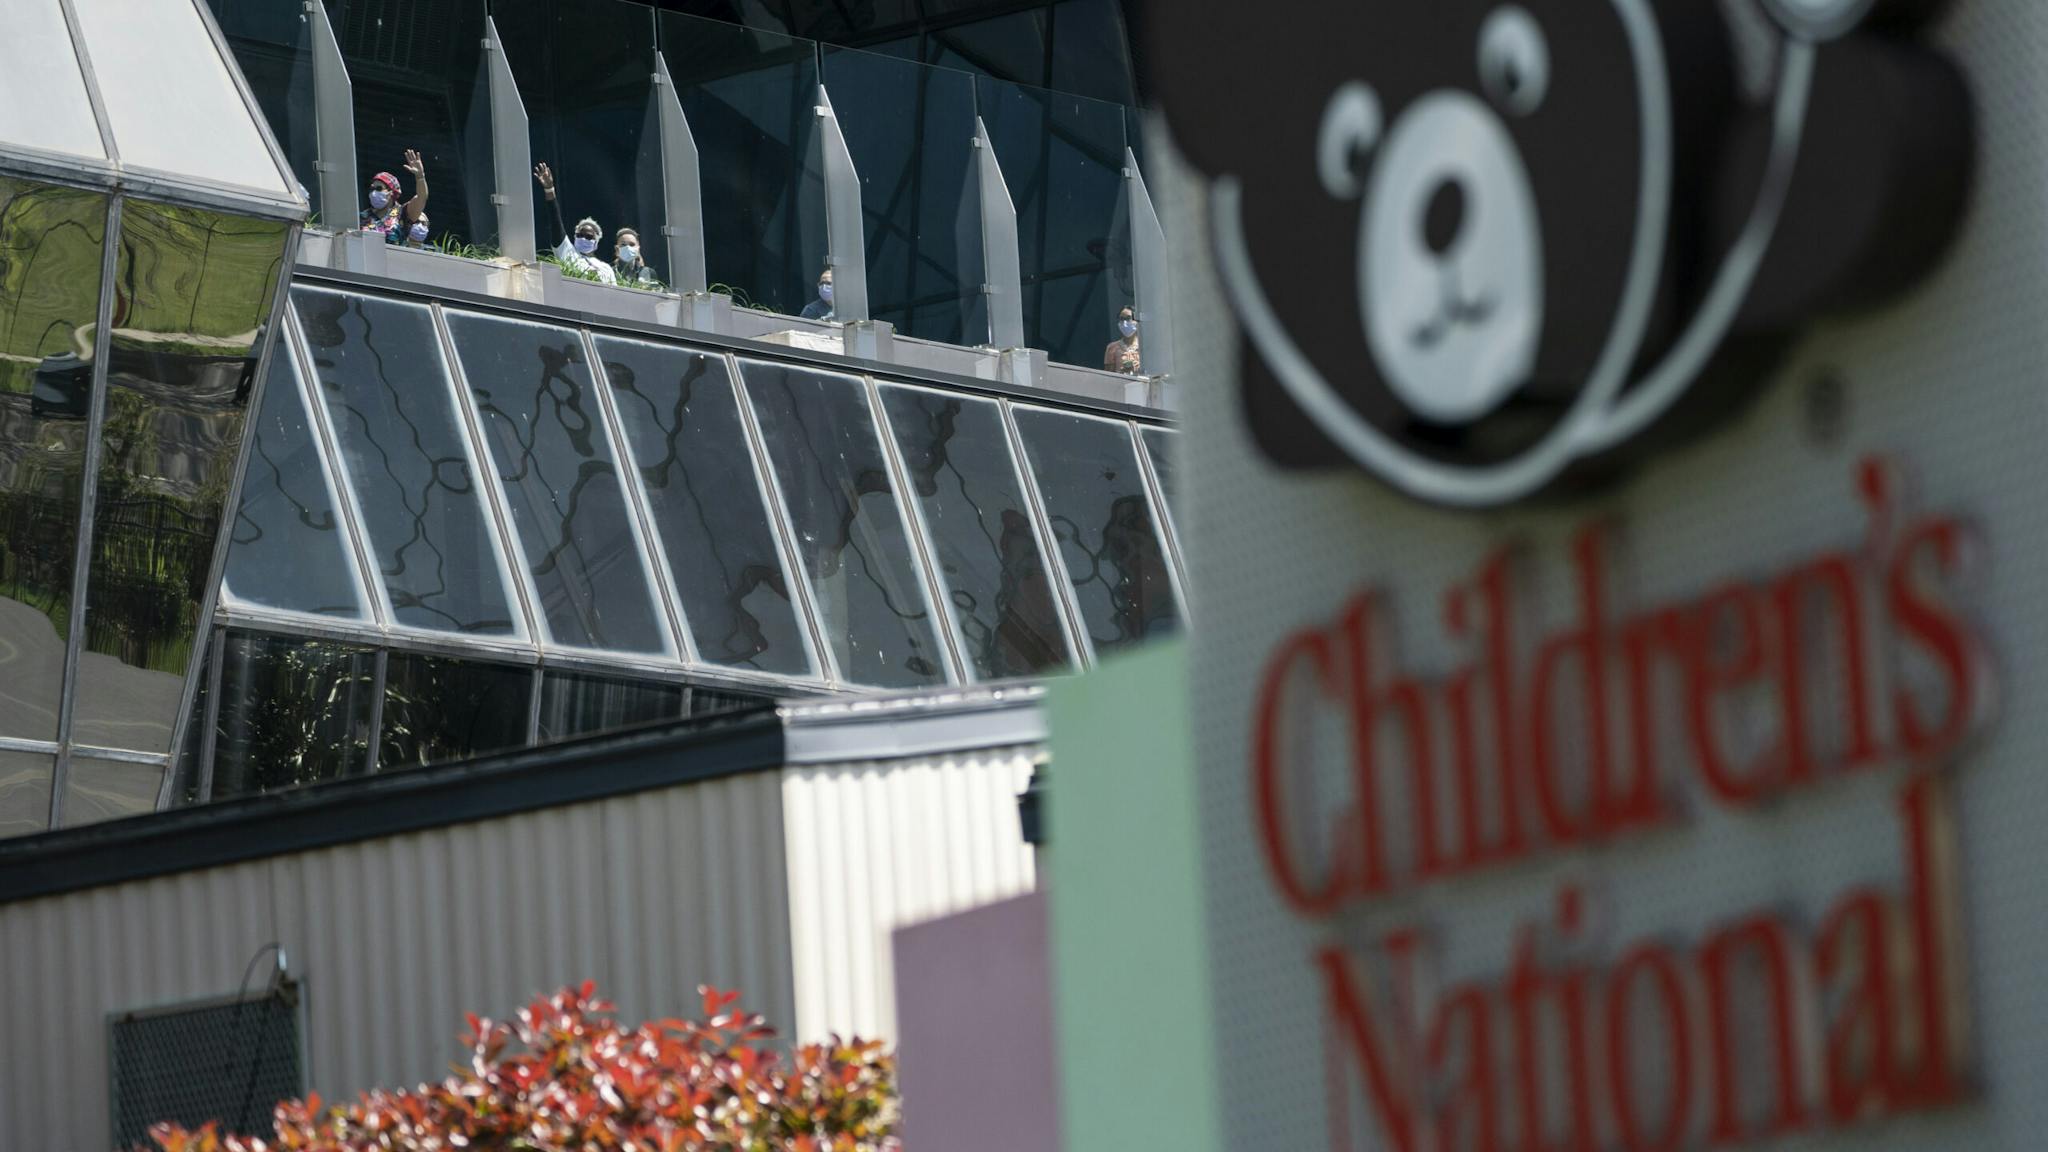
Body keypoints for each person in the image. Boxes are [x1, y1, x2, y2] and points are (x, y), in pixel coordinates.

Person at [533, 161, 616, 284]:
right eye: (580, 235)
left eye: (589, 237)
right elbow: (556, 223)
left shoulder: (606, 269)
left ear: (596, 242)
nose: (583, 238)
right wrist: (549, 190)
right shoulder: (568, 253)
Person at [360, 149, 428, 244]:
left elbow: (421, 197)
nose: (374, 192)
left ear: (391, 192)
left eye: (379, 188)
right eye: (372, 189)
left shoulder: (403, 213)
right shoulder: (362, 217)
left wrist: (420, 177)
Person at [1104, 305, 1142, 374]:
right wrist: (1122, 372)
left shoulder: (1144, 347)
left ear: (1136, 320)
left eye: (1128, 318)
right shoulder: (1112, 347)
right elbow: (1108, 375)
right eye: (1121, 319)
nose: (1124, 322)